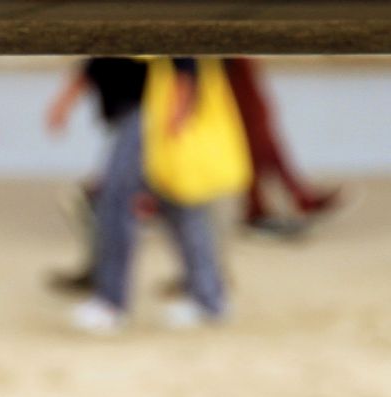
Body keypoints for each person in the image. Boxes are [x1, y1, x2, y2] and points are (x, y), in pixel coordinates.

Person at [48, 58, 227, 332]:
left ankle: (110, 303)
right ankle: (209, 299)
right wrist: (67, 99)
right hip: (143, 113)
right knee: (178, 206)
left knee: (116, 206)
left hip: (150, 114)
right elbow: (99, 55)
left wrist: (176, 117)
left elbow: (181, 53)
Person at [226, 58, 339, 237]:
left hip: (229, 62)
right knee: (255, 131)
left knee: (258, 133)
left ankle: (285, 198)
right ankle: (287, 198)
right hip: (226, 63)